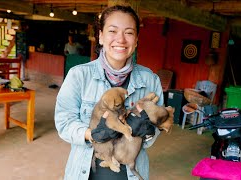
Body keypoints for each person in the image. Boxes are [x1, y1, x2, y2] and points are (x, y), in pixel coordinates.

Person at [55, 5, 164, 180]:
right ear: (101, 36)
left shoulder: (150, 80)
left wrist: (148, 131)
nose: (120, 39)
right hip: (85, 172)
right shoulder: (78, 75)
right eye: (113, 31)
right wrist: (93, 134)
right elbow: (63, 123)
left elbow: (156, 130)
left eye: (129, 32)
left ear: (136, 40)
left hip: (131, 173)